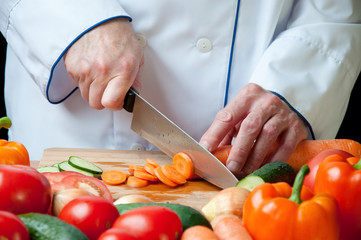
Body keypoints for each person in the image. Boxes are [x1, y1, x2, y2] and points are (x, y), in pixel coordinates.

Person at [1, 1, 360, 177]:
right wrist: (70, 18)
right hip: (74, 134)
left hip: (250, 156)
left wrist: (298, 81)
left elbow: (334, 9)